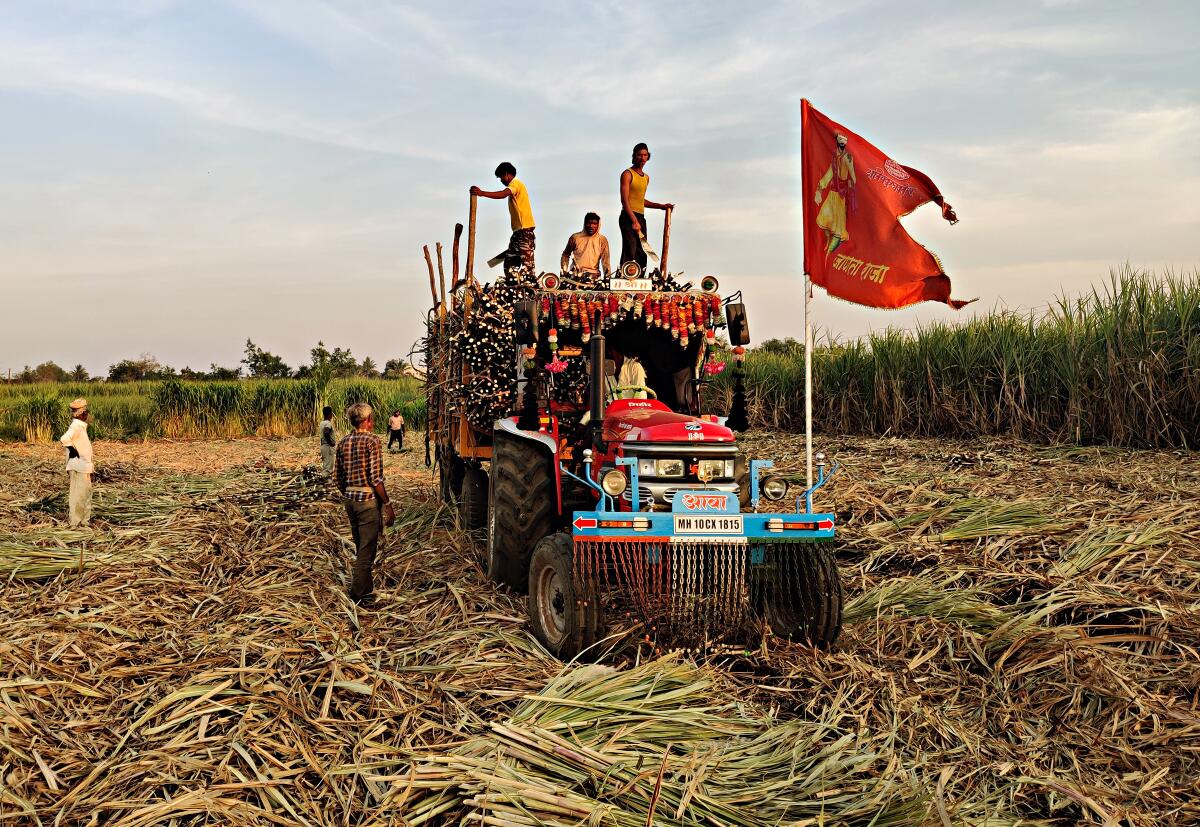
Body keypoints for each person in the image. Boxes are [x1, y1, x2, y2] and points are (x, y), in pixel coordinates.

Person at [335, 402, 395, 605]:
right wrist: (387, 503)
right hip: (367, 501)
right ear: (368, 420)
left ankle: (366, 588)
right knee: (367, 550)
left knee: (361, 545)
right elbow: (376, 478)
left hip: (350, 500)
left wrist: (349, 494)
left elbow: (338, 477)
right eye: (373, 418)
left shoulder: (343, 442)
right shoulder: (372, 440)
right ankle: (358, 594)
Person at [471, 162, 536, 278]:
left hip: (525, 231)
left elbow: (503, 194)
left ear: (506, 174)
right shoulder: (514, 186)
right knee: (509, 262)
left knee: (527, 265)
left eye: (501, 177)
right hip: (517, 232)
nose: (501, 180)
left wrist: (482, 193)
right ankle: (512, 283)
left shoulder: (516, 184)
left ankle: (529, 284)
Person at [619, 143, 673, 269]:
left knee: (642, 250)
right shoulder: (627, 174)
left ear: (648, 157)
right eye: (639, 155)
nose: (642, 158)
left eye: (645, 155)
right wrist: (634, 221)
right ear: (634, 156)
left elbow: (640, 200)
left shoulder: (646, 178)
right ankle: (625, 277)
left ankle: (640, 278)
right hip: (628, 216)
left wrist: (661, 206)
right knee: (630, 248)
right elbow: (625, 200)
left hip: (640, 217)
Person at [814, 132, 857, 256]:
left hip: (841, 194)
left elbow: (853, 176)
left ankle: (830, 252)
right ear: (837, 141)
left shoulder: (847, 157)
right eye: (840, 140)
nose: (842, 142)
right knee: (824, 215)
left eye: (844, 140)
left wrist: (850, 183)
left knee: (838, 224)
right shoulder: (834, 157)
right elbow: (829, 173)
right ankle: (828, 240)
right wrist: (820, 188)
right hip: (832, 192)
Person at [58, 398, 94, 527]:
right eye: (86, 412)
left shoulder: (80, 426)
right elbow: (64, 439)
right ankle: (75, 523)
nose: (87, 415)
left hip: (84, 467)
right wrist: (73, 451)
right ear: (82, 414)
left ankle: (84, 521)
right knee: (78, 496)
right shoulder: (76, 426)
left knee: (85, 495)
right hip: (79, 467)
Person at [560, 212, 611, 286]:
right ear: (584, 223)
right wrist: (564, 272)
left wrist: (608, 280)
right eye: (588, 223)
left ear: (598, 225)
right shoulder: (575, 237)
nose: (591, 226)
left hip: (594, 277)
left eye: (594, 224)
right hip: (575, 276)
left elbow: (606, 261)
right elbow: (565, 255)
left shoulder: (602, 240)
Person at [320, 406, 336, 473]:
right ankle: (326, 481)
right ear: (330, 414)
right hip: (328, 447)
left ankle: (324, 480)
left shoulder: (322, 423)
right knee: (328, 468)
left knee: (325, 466)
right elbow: (326, 432)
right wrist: (331, 443)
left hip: (323, 446)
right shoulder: (328, 423)